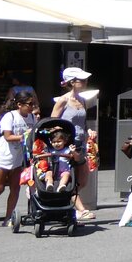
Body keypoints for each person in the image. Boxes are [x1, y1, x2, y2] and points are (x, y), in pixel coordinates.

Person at [0, 88, 38, 227]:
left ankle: (9, 218)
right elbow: (8, 136)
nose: (31, 107)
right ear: (19, 105)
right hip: (2, 156)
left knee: (15, 188)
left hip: (17, 157)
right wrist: (25, 136)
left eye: (33, 103)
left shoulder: (32, 117)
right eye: (29, 104)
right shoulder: (9, 116)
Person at [51, 67, 95, 221]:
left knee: (83, 179)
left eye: (84, 79)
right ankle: (81, 209)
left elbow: (82, 122)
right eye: (81, 80)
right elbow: (53, 124)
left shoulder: (82, 99)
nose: (85, 82)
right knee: (70, 177)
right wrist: (62, 140)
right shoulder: (63, 100)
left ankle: (69, 203)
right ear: (71, 82)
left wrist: (89, 130)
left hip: (81, 143)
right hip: (68, 145)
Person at [36, 127, 76, 192]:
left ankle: (61, 186)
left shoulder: (67, 150)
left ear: (65, 141)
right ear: (51, 142)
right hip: (52, 170)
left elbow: (73, 157)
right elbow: (44, 159)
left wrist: (73, 151)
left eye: (59, 141)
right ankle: (49, 184)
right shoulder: (50, 150)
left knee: (66, 175)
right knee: (48, 173)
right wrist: (43, 153)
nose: (56, 144)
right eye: (54, 142)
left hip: (64, 171)